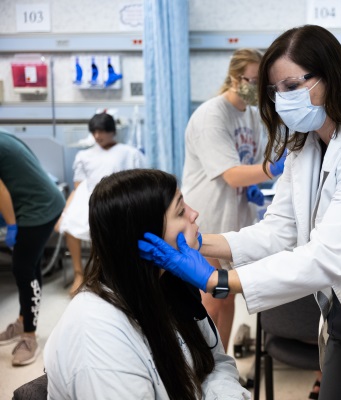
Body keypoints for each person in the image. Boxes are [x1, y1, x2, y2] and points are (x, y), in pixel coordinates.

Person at [140, 25, 341, 399]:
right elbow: (279, 231)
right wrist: (197, 243)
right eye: (274, 91)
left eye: (291, 87)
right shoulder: (305, 146)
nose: (281, 99)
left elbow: (328, 255)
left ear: (330, 76)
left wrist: (219, 281)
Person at [44, 169, 250, 400]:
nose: (194, 214)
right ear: (146, 236)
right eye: (181, 211)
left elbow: (214, 363)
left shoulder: (170, 284)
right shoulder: (98, 337)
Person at [181, 48, 286, 352]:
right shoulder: (211, 114)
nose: (255, 88)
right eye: (250, 80)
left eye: (260, 81)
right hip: (207, 218)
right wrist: (274, 169)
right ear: (233, 76)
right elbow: (231, 174)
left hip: (233, 221)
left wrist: (251, 186)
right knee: (211, 304)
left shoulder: (250, 115)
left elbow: (245, 164)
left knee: (227, 299)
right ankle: (203, 374)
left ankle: (221, 367)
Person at [57, 112, 145, 295]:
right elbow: (78, 188)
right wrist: (64, 214)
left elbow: (138, 183)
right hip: (90, 198)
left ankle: (114, 275)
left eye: (102, 131)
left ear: (112, 131)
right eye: (94, 132)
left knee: (116, 228)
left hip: (119, 199)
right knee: (70, 224)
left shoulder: (129, 153)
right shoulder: (84, 155)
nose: (98, 136)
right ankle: (79, 274)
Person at [0, 129, 66, 366]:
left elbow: (1, 191)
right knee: (29, 264)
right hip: (41, 201)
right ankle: (22, 323)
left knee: (22, 267)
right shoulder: (3, 135)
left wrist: (11, 225)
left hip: (39, 208)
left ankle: (29, 337)